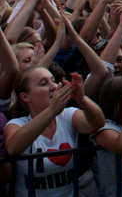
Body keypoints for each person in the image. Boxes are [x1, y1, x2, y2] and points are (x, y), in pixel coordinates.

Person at [5, 66, 105, 197]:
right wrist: (52, 110)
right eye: (43, 83)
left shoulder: (67, 115)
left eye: (53, 80)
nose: (54, 86)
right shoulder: (16, 124)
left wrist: (82, 99)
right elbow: (13, 147)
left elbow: (97, 123)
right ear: (25, 96)